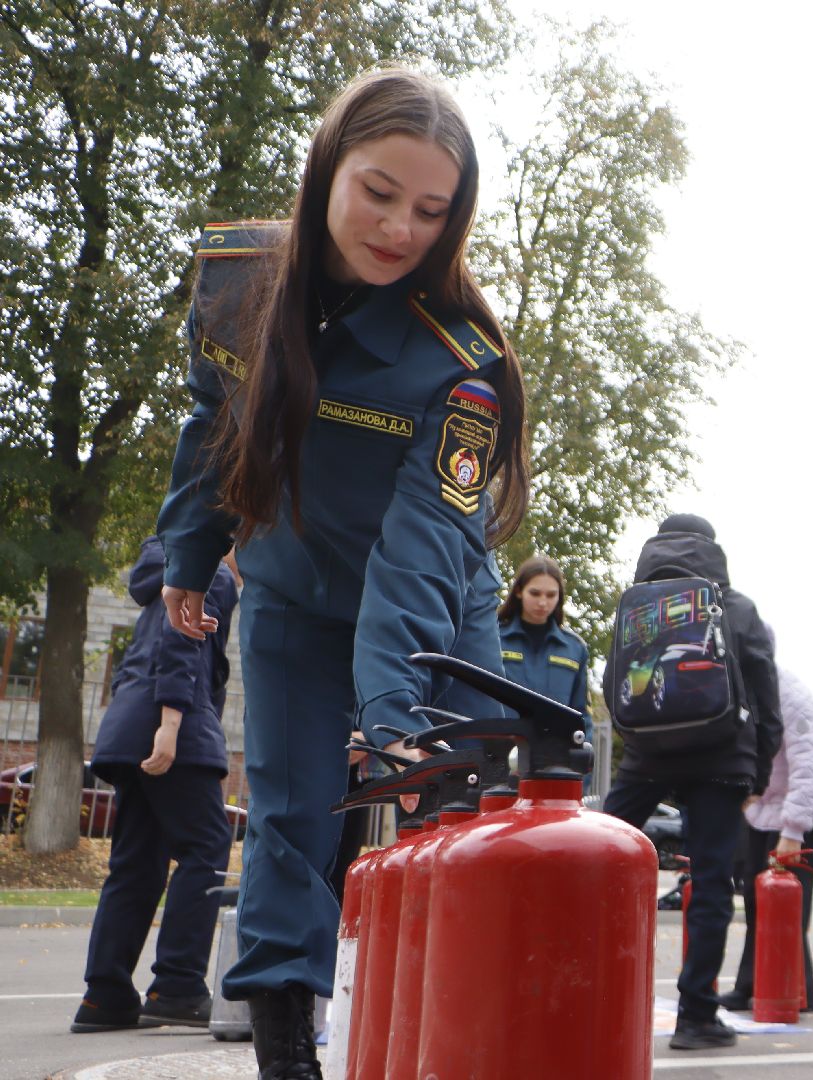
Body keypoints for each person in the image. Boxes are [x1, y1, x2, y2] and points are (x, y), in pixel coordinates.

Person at [157, 69, 526, 1079]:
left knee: (458, 823)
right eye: (379, 190)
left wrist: (395, 708)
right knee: (288, 821)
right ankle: (287, 1053)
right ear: (329, 167)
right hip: (290, 597)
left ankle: (466, 1039)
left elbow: (419, 551)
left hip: (435, 614)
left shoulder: (461, 361)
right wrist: (186, 554)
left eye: (430, 210)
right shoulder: (232, 282)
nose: (399, 227)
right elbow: (211, 425)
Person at [601, 513, 783, 1050]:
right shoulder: (737, 606)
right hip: (721, 755)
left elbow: (615, 683)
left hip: (646, 754)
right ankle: (696, 1016)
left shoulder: (636, 606)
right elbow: (765, 696)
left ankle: (581, 985)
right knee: (709, 884)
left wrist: (637, 740)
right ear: (712, 548)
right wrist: (759, 769)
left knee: (600, 861)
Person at [71, 537, 240, 1034]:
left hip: (127, 722)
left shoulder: (165, 571)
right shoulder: (214, 572)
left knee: (138, 862)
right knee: (207, 844)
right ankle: (178, 986)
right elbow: (181, 637)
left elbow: (151, 645)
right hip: (172, 723)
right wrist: (170, 723)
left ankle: (104, 996)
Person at [718, 625, 813, 1014]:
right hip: (758, 815)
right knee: (755, 905)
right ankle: (753, 985)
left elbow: (809, 768)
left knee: (789, 913)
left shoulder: (793, 695)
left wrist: (794, 829)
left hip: (793, 821)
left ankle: (798, 991)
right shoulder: (737, 690)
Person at [497, 555, 591, 781]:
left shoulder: (575, 648)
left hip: (554, 769)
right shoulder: (492, 639)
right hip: (500, 765)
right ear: (519, 591)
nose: (543, 602)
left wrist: (581, 777)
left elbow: (582, 719)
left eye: (551, 595)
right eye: (535, 593)